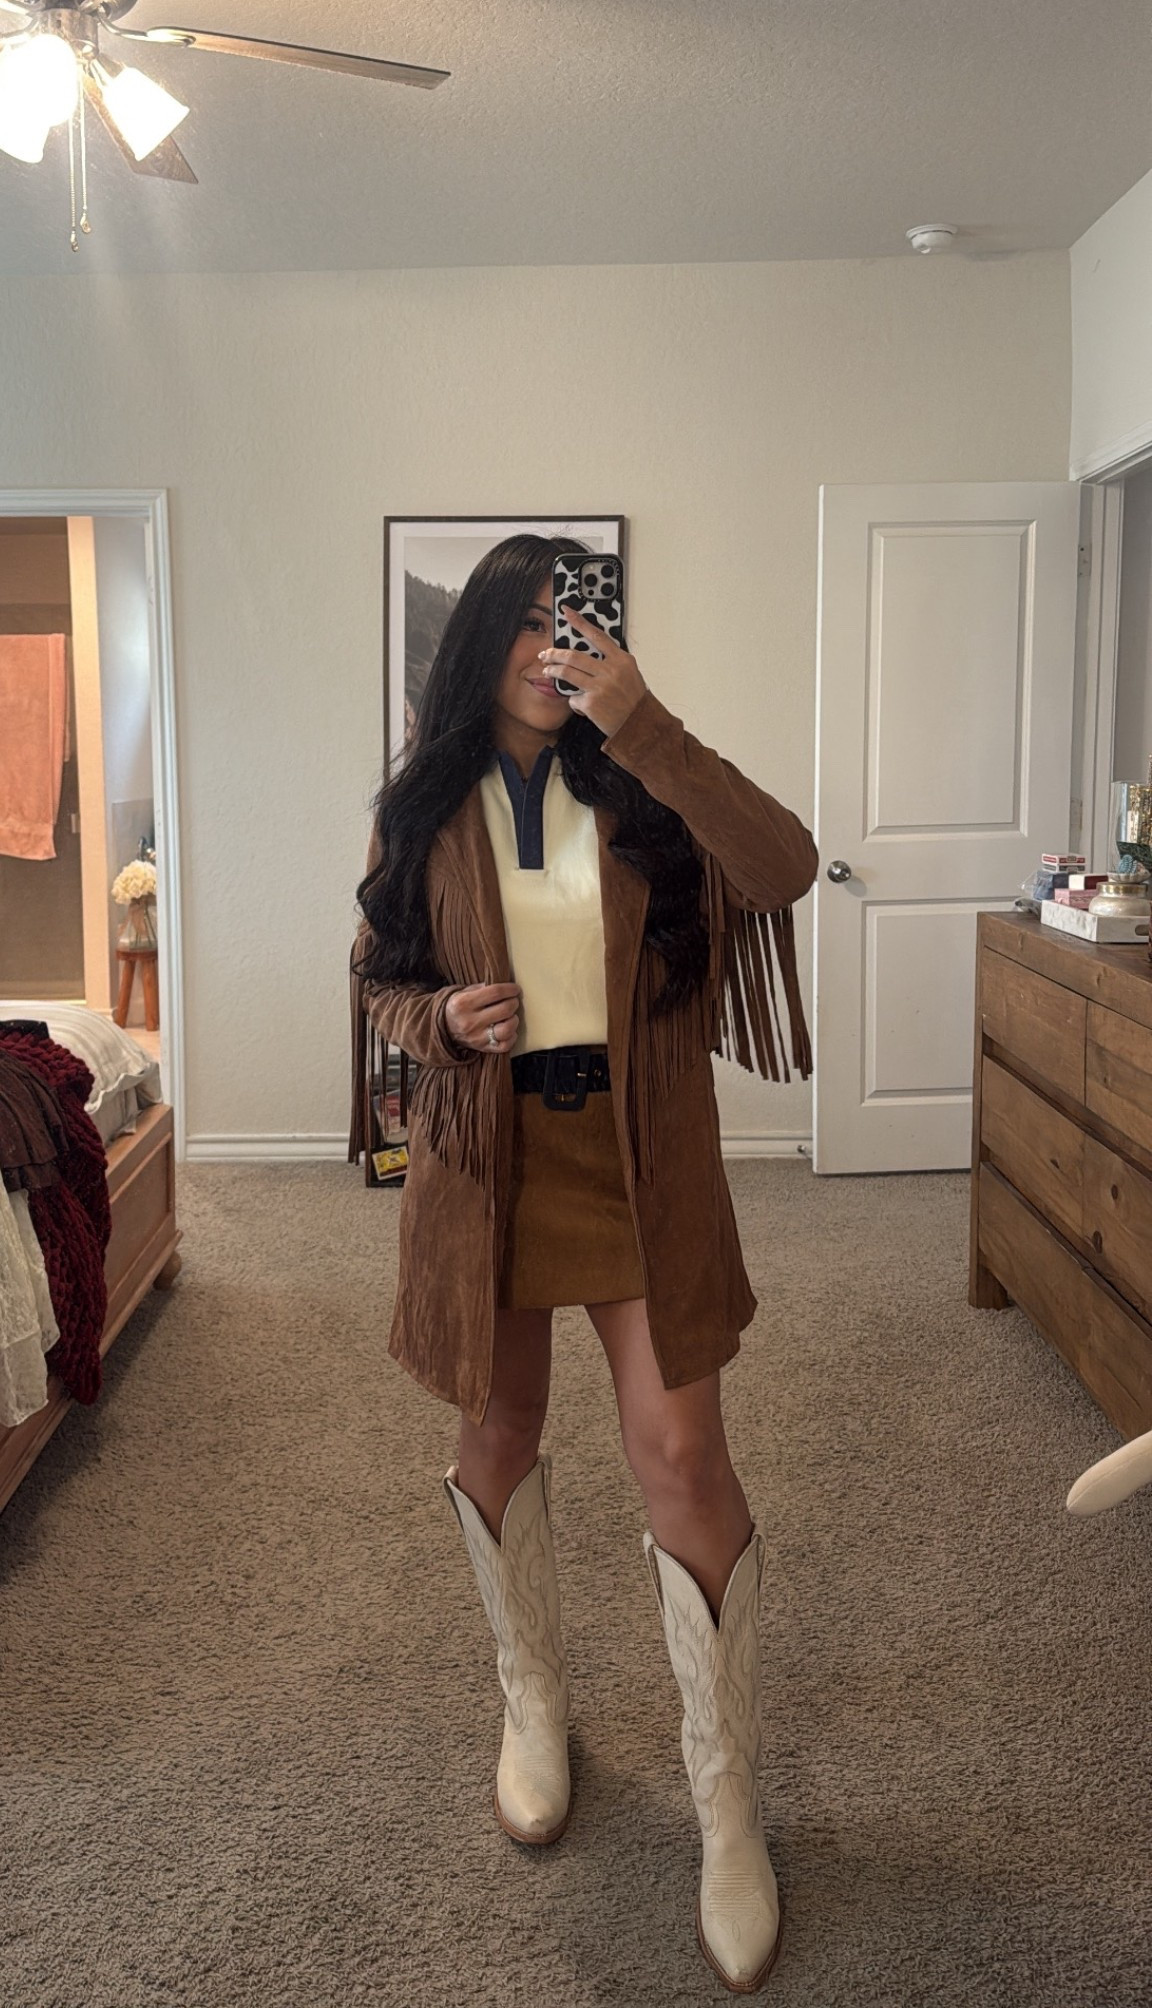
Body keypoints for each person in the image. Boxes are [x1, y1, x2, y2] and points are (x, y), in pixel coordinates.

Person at [350, 533, 818, 1993]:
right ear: (482, 638)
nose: (554, 645)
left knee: (684, 1454)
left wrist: (645, 723)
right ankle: (532, 1700)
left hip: (640, 1157)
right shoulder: (420, 804)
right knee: (498, 1429)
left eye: (577, 622)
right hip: (490, 1164)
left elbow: (785, 867)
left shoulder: (647, 778)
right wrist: (442, 1023)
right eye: (530, 620)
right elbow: (376, 980)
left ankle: (726, 1804)